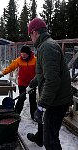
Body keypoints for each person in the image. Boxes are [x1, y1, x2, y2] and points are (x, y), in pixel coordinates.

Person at [26, 18, 73, 150]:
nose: (31, 38)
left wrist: (41, 106)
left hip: (57, 101)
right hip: (54, 99)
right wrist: (33, 83)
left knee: (51, 140)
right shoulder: (45, 46)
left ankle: (43, 139)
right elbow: (44, 74)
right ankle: (39, 138)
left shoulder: (47, 48)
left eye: (30, 35)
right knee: (47, 130)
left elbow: (52, 81)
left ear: (34, 32)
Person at [0, 45, 37, 120]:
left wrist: (35, 82)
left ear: (29, 54)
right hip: (22, 82)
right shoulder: (19, 60)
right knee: (21, 98)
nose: (23, 56)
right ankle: (17, 114)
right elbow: (11, 67)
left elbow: (39, 72)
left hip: (32, 83)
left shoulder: (35, 60)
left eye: (24, 55)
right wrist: (2, 74)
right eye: (21, 55)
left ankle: (34, 116)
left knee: (32, 100)